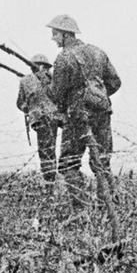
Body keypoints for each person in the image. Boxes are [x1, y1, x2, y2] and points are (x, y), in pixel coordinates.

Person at [47, 15, 121, 209]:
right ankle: (109, 208)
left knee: (68, 164)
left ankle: (82, 210)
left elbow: (56, 94)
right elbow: (115, 82)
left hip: (78, 116)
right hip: (103, 112)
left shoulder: (64, 58)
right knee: (102, 162)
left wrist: (46, 83)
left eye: (55, 34)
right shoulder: (98, 52)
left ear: (64, 34)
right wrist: (97, 96)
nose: (53, 38)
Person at [16, 54, 63, 191]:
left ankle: (50, 183)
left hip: (44, 119)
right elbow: (21, 103)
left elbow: (20, 103)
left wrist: (32, 109)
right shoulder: (51, 79)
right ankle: (50, 182)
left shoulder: (27, 80)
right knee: (48, 150)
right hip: (49, 118)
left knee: (46, 150)